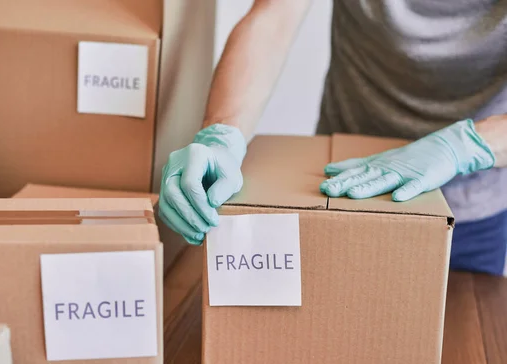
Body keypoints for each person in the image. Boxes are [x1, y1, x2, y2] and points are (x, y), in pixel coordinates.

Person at [159, 0, 507, 275]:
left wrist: (463, 146)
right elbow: (273, 17)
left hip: (470, 200)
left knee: (460, 349)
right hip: (339, 186)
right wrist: (221, 133)